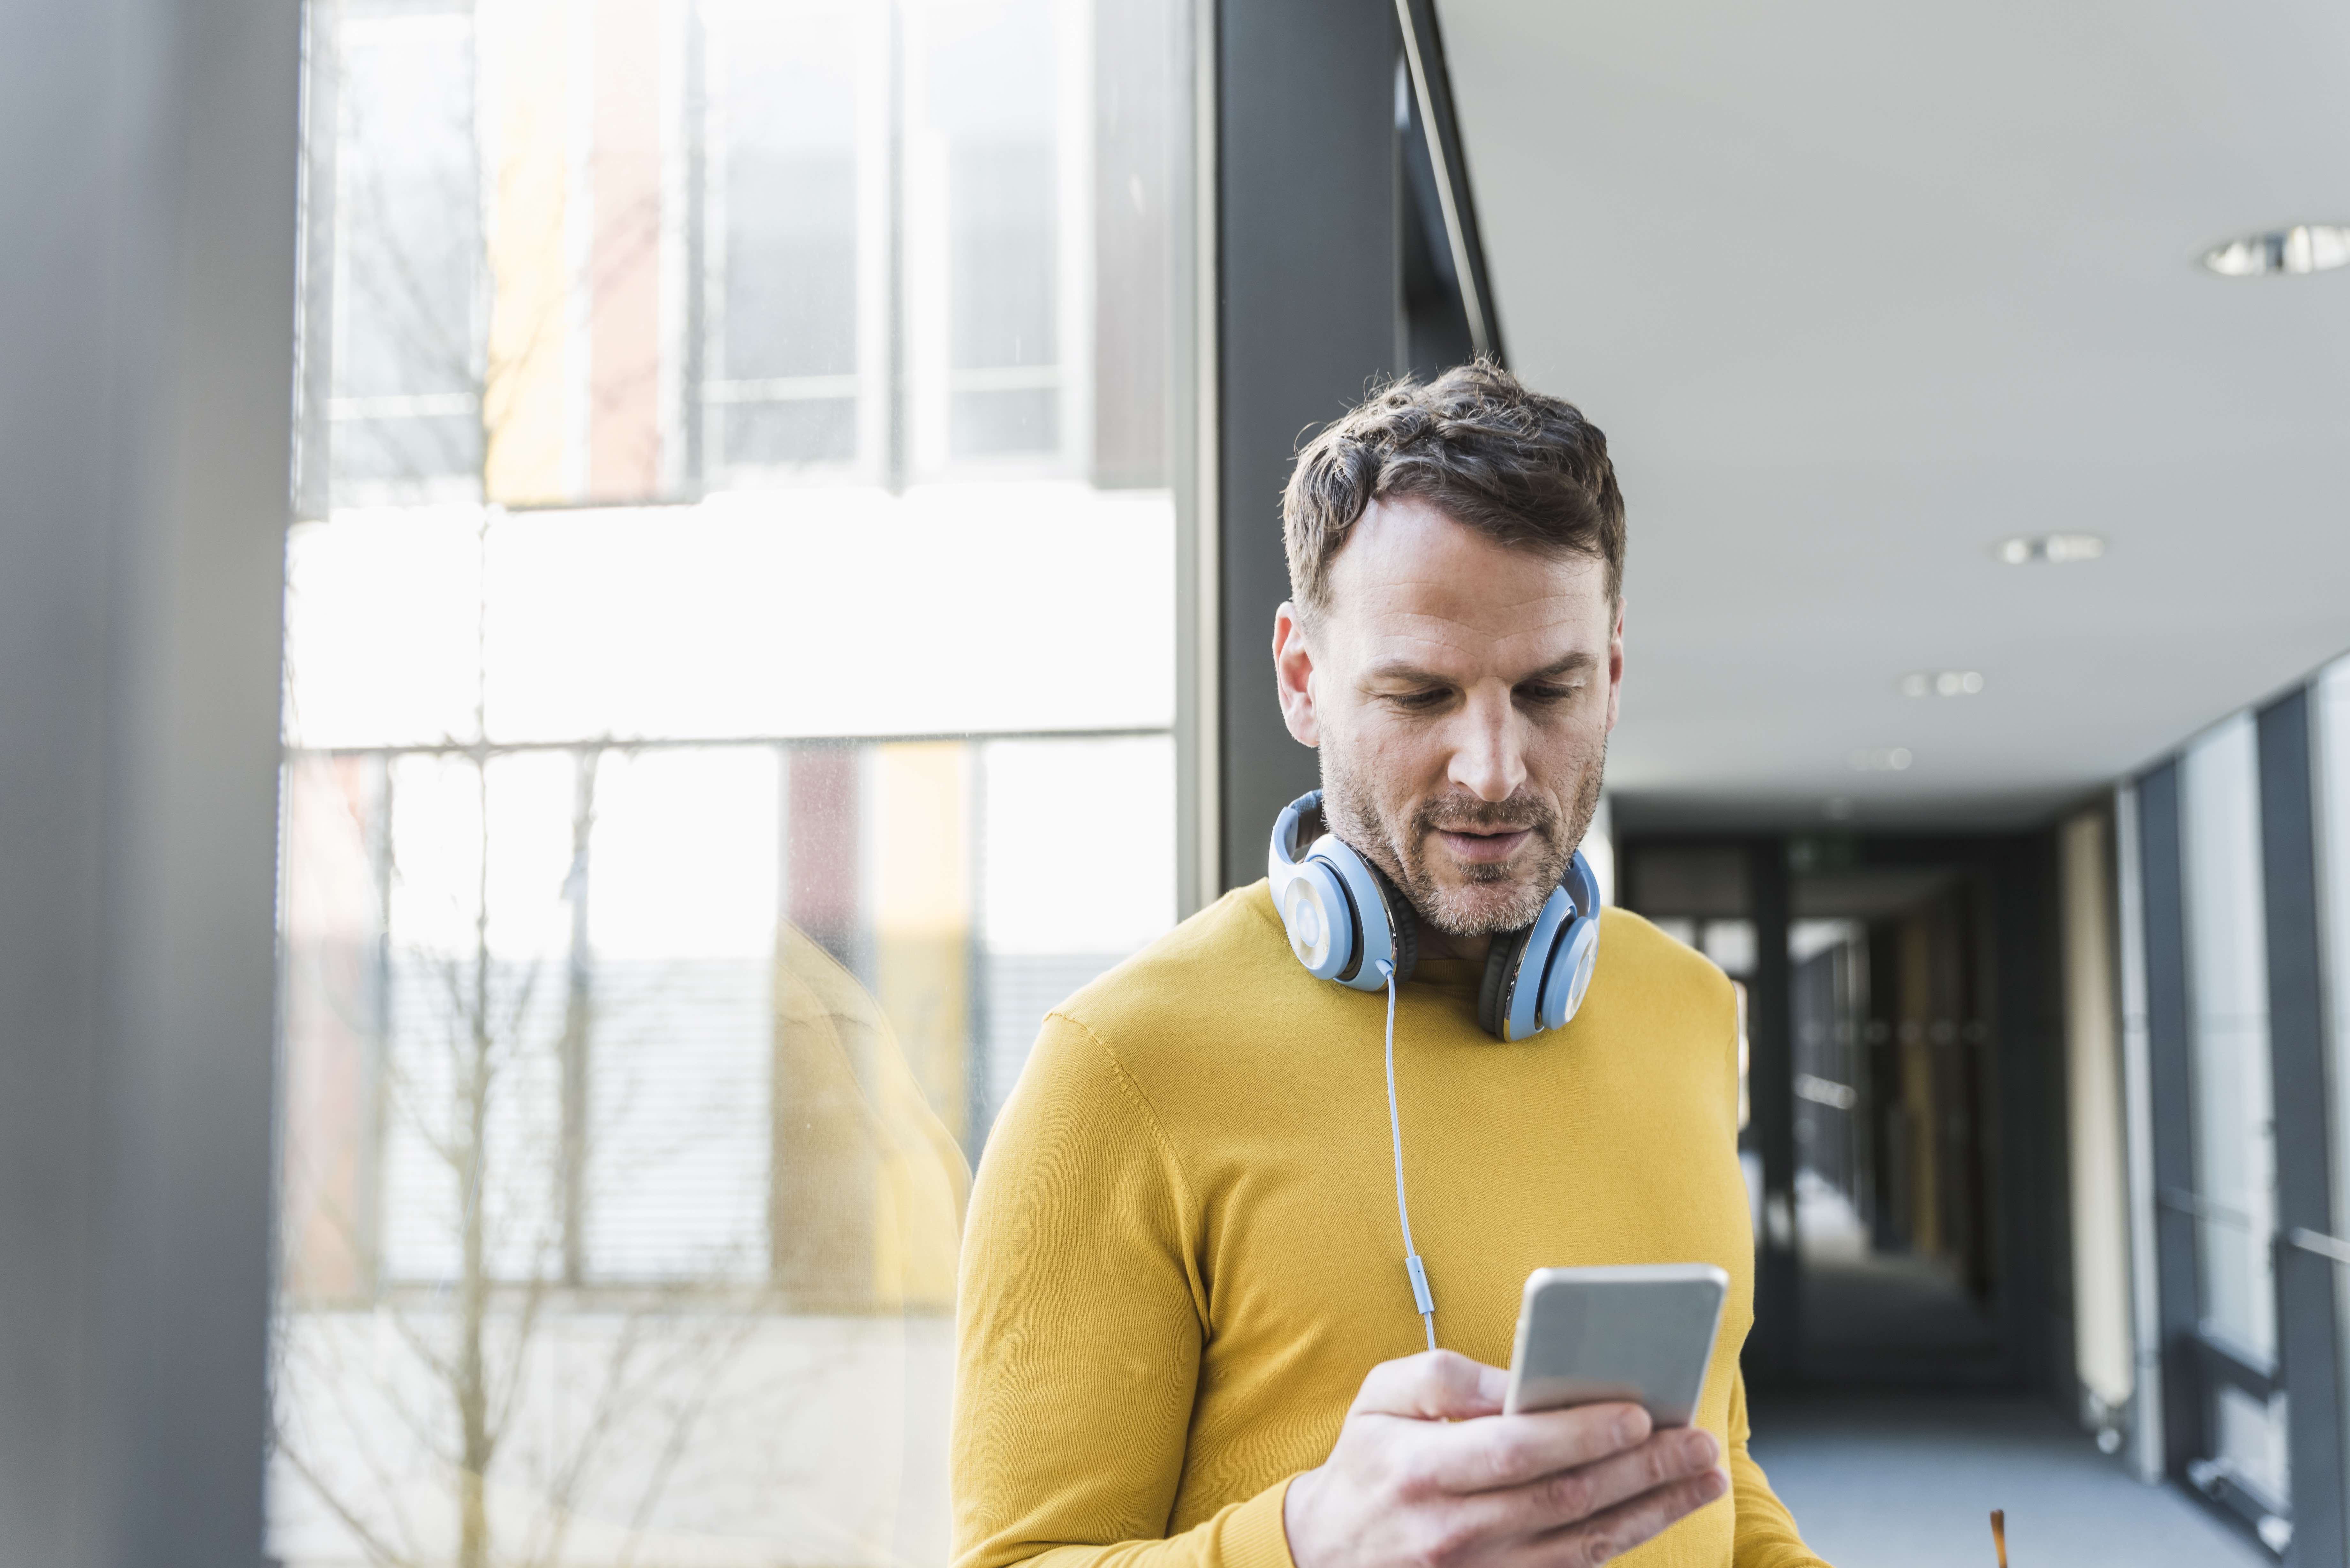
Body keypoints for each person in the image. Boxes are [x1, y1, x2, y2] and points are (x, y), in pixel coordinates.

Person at [952, 363, 1828, 1568]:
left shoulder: (1681, 1010)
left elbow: (1714, 1472)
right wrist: (1307, 1542)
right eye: (1420, 694)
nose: (1494, 769)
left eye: (1549, 690)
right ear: (1302, 679)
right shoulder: (1119, 1070)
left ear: (1613, 672)